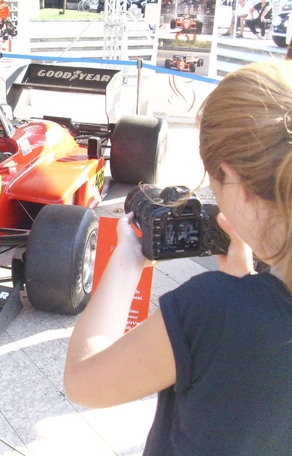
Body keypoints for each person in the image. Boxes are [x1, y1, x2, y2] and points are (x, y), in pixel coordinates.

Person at [64, 60, 292, 454]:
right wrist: (246, 280)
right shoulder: (235, 306)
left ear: (233, 179)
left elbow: (83, 380)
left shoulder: (214, 309)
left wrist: (125, 262)